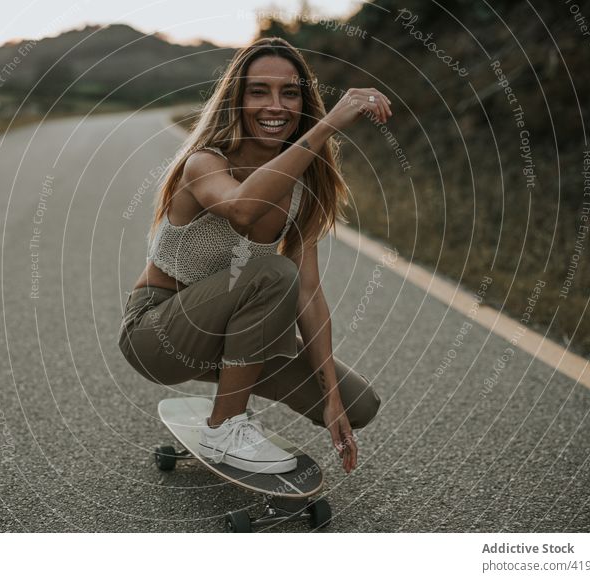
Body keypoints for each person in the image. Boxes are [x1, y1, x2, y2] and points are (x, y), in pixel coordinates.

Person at [118, 37, 392, 475]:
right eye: (258, 91)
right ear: (237, 99)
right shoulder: (205, 164)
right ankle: (224, 426)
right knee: (271, 271)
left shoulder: (303, 191)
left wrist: (332, 401)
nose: (276, 106)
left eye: (290, 92)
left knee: (361, 403)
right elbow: (244, 210)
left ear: (303, 101)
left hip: (230, 339)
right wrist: (326, 128)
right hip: (158, 333)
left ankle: (234, 399)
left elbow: (308, 291)